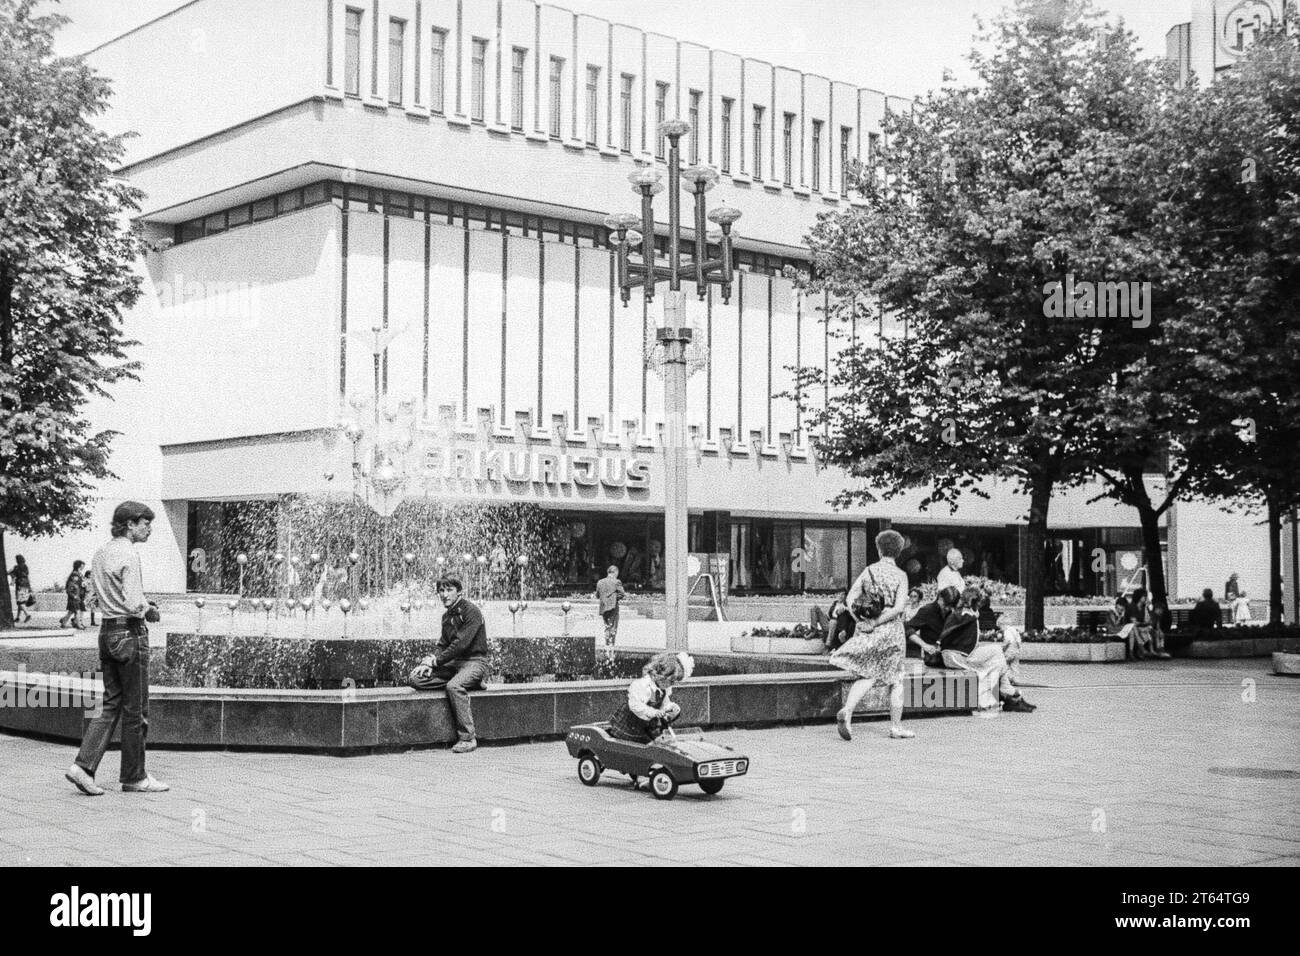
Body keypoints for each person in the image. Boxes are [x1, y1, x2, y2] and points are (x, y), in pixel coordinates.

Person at [65, 501, 168, 796]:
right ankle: (135, 777)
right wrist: (149, 609)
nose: (149, 529)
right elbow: (135, 602)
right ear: (130, 524)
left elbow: (93, 599)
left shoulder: (100, 553)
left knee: (110, 704)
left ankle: (83, 766)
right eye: (145, 523)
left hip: (107, 631)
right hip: (130, 633)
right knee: (136, 710)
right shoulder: (129, 554)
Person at [831, 529, 913, 741]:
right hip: (892, 631)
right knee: (896, 679)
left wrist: (862, 622)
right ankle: (896, 727)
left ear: (878, 549)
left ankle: (848, 710)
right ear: (899, 551)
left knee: (868, 673)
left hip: (870, 630)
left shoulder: (869, 571)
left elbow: (850, 599)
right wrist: (878, 620)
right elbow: (898, 608)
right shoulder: (901, 576)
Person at [409, 577, 491, 753]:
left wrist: (437, 661)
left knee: (454, 686)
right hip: (454, 664)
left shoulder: (472, 612)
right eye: (441, 591)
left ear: (459, 591)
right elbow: (443, 644)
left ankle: (468, 738)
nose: (445, 595)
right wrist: (429, 662)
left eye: (449, 590)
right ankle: (472, 682)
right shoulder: (446, 616)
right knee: (416, 679)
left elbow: (461, 643)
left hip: (474, 662)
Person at [938, 586, 1036, 714]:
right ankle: (1005, 693)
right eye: (978, 603)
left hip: (956, 655)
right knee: (996, 654)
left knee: (996, 658)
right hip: (956, 656)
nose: (980, 606)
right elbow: (949, 630)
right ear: (973, 602)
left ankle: (1007, 694)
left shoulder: (962, 613)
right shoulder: (965, 614)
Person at [607, 651, 692, 745]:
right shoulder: (643, 685)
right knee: (628, 746)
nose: (672, 684)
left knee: (651, 744)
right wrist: (654, 712)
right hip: (629, 725)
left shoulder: (663, 690)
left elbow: (664, 703)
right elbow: (635, 706)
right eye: (671, 681)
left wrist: (669, 708)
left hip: (645, 725)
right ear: (661, 675)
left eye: (675, 681)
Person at [904, 586, 959, 665]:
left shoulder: (952, 612)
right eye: (946, 604)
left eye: (951, 606)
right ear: (940, 598)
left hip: (951, 658)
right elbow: (907, 628)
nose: (948, 608)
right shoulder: (927, 610)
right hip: (933, 660)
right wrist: (924, 645)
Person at [595, 565, 627, 647]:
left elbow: (597, 595)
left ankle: (607, 645)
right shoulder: (616, 582)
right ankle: (611, 646)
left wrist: (604, 598)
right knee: (613, 627)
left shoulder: (600, 582)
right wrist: (614, 598)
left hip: (603, 607)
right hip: (613, 607)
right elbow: (622, 594)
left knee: (607, 627)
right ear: (615, 572)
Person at [59, 560, 87, 629]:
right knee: (77, 611)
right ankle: (78, 625)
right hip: (74, 596)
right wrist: (74, 595)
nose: (83, 566)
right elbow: (71, 587)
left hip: (77, 596)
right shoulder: (75, 574)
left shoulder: (78, 574)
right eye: (82, 565)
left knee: (71, 611)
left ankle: (64, 622)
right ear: (79, 565)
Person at [8, 554, 34, 625]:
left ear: (17, 560)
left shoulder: (16, 567)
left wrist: (12, 576)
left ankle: (27, 614)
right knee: (21, 602)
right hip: (27, 585)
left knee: (20, 602)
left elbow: (8, 572)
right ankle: (18, 617)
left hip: (20, 585)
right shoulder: (26, 567)